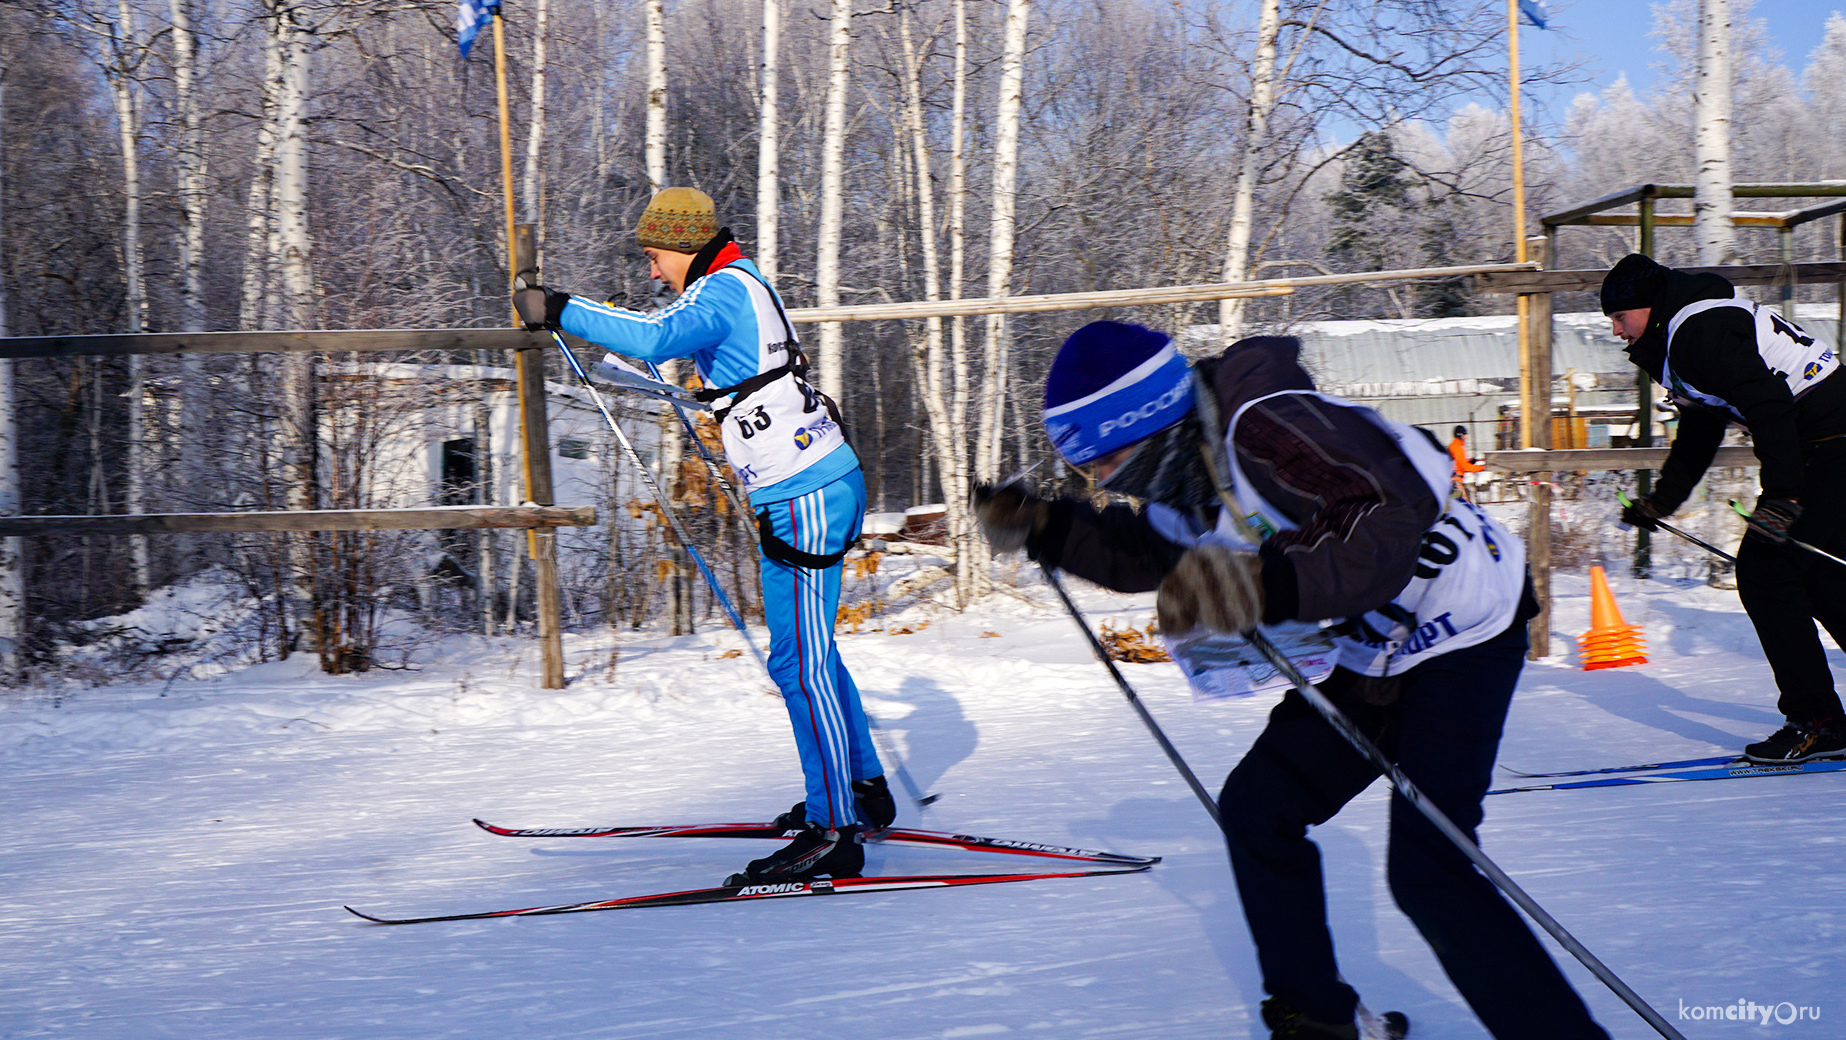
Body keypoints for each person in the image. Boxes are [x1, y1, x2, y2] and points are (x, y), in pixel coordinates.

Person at [976, 321, 1608, 1040]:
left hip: (1461, 629)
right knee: (1258, 809)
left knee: (1431, 872)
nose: (1105, 479)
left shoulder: (1267, 422)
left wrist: (1261, 582)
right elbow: (1146, 553)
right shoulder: (1183, 476)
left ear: (1150, 420)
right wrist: (1045, 527)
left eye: (1110, 458)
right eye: (1090, 469)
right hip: (1371, 649)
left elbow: (1383, 516)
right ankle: (1320, 1018)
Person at [514, 187, 893, 882]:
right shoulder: (738, 285)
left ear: (684, 247)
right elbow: (695, 364)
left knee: (799, 666)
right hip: (806, 485)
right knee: (807, 656)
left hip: (804, 490)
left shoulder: (722, 290)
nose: (654, 272)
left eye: (656, 257)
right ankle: (861, 790)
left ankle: (835, 829)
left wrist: (560, 307)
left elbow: (658, 335)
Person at [1603, 252, 1846, 764]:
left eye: (1619, 317)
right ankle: (1821, 719)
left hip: (1832, 441)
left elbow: (1771, 404)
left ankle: (1817, 721)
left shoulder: (1697, 334)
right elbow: (1700, 428)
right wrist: (1661, 502)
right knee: (1815, 575)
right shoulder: (1685, 334)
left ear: (1647, 307)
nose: (1617, 330)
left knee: (1767, 572)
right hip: (1821, 445)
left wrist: (1783, 499)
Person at [1447, 425, 1485, 500]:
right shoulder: (1458, 447)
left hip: (1453, 481)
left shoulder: (1453, 446)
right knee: (1465, 505)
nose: (1466, 438)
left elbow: (1458, 463)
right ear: (1460, 435)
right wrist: (1482, 467)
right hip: (1456, 483)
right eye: (1465, 435)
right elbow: (1465, 467)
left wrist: (1470, 461)